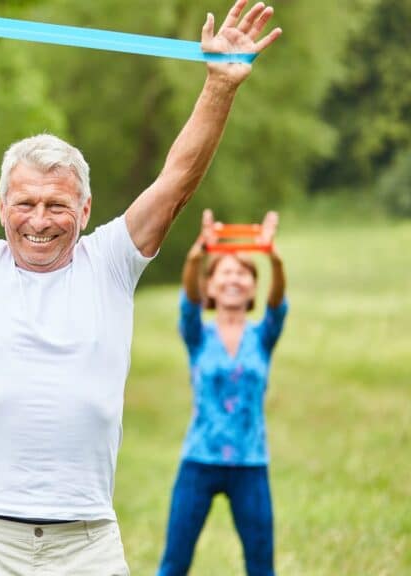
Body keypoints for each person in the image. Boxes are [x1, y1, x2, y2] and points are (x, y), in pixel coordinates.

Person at [0, 0, 282, 572]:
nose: (39, 219)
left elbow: (177, 180)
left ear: (85, 209)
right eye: (25, 203)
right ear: (1, 206)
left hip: (87, 541)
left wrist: (220, 87)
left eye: (57, 204)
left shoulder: (109, 261)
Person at [157, 210, 287, 576]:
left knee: (261, 566)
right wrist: (197, 256)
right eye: (225, 272)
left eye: (243, 273)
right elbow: (187, 303)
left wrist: (273, 259)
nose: (234, 279)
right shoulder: (199, 336)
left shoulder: (263, 337)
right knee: (174, 562)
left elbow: (278, 305)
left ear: (252, 287)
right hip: (199, 459)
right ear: (210, 287)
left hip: (250, 463)